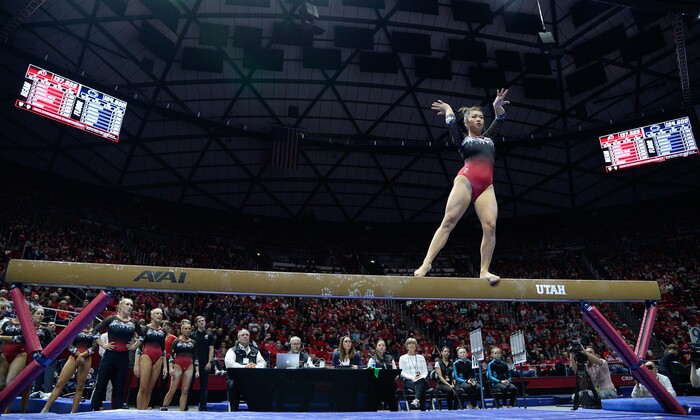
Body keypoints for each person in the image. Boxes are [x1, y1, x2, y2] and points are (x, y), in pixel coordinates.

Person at [414, 89, 510, 285]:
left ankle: (484, 271)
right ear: (467, 122)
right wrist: (449, 108)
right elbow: (451, 124)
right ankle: (426, 263)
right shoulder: (462, 139)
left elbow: (500, 119)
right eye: (474, 117)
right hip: (466, 181)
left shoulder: (489, 138)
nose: (479, 119)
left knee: (490, 226)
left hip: (486, 186)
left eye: (481, 117)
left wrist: (496, 107)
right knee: (448, 221)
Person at [91, 297, 141, 411]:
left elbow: (142, 337)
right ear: (120, 306)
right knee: (100, 385)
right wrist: (103, 345)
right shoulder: (111, 319)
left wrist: (134, 346)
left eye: (131, 305)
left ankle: (117, 413)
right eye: (127, 304)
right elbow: (95, 331)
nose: (129, 307)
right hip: (109, 356)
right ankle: (93, 410)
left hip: (123, 358)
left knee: (119, 388)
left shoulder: (134, 322)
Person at [1, 305, 51, 414]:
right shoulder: (15, 325)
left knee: (23, 386)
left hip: (29, 357)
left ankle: (20, 413)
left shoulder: (40, 329)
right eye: (38, 313)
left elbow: (49, 344)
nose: (40, 316)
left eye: (42, 314)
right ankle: (4, 411)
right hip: (13, 353)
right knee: (6, 385)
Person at [42, 324, 98, 413]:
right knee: (59, 384)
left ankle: (73, 412)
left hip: (86, 358)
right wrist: (78, 354)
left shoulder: (95, 331)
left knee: (80, 387)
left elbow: (95, 347)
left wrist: (83, 355)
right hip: (73, 357)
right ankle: (45, 408)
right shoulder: (76, 327)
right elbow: (69, 343)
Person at [224, 328, 266, 411]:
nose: (245, 336)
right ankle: (232, 410)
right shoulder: (232, 350)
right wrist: (245, 367)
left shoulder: (255, 351)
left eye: (247, 335)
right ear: (238, 338)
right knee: (232, 385)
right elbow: (229, 364)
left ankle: (257, 411)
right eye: (243, 335)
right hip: (236, 379)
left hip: (252, 379)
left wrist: (254, 367)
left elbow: (263, 363)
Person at [162, 320, 199, 411]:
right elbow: (171, 356)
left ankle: (182, 412)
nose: (188, 330)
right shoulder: (176, 341)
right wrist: (170, 367)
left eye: (189, 329)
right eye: (186, 329)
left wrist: (197, 371)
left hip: (189, 366)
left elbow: (195, 358)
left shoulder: (193, 343)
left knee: (185, 390)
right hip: (178, 365)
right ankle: (164, 406)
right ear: (181, 330)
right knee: (172, 389)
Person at [135, 308, 167, 410]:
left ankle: (144, 412)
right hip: (146, 356)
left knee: (150, 388)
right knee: (143, 387)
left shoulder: (163, 331)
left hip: (158, 358)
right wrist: (136, 364)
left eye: (161, 314)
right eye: (157, 313)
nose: (159, 315)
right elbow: (139, 348)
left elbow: (163, 350)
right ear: (152, 316)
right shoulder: (144, 329)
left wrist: (165, 367)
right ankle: (139, 412)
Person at [189, 315, 214, 411]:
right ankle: (186, 405)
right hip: (193, 363)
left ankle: (203, 407)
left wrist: (210, 362)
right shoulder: (192, 335)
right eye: (199, 321)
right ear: (196, 324)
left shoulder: (209, 335)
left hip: (205, 364)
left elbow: (211, 349)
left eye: (203, 320)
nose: (202, 322)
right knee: (189, 385)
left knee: (204, 386)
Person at [367, 339, 398, 411]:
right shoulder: (372, 359)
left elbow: (396, 373)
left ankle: (394, 412)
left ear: (385, 348)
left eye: (383, 345)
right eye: (379, 345)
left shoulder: (390, 358)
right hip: (377, 385)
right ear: (376, 348)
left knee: (390, 387)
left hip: (389, 384)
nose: (381, 347)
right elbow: (369, 373)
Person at [399, 337, 428, 411]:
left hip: (421, 379)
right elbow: (401, 372)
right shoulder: (402, 358)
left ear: (416, 346)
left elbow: (425, 372)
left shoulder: (421, 357)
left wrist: (421, 377)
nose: (411, 345)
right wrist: (412, 378)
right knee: (422, 388)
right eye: (409, 343)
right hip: (409, 381)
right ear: (406, 346)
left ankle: (416, 399)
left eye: (413, 343)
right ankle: (422, 409)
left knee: (421, 382)